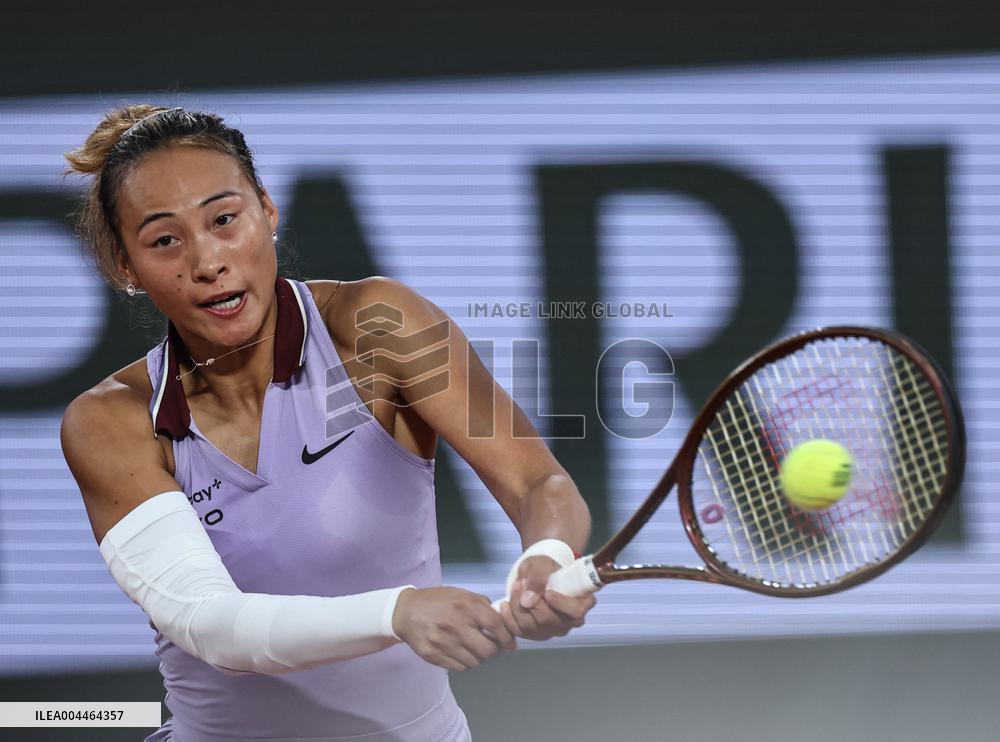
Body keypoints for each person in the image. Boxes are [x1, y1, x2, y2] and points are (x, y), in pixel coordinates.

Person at [58, 105, 595, 742]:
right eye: (165, 240)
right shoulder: (109, 421)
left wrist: (547, 553)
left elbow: (538, 484)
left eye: (225, 219)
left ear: (267, 210)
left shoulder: (376, 328)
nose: (207, 261)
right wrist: (397, 613)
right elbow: (212, 626)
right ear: (126, 267)